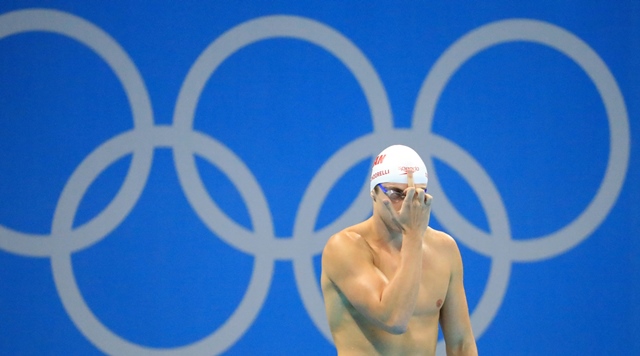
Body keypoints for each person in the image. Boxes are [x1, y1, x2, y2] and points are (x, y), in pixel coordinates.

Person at [321, 144, 477, 355]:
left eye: (417, 194)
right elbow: (393, 319)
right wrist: (413, 235)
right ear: (373, 192)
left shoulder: (444, 249)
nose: (407, 205)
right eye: (396, 193)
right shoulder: (344, 247)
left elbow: (461, 344)